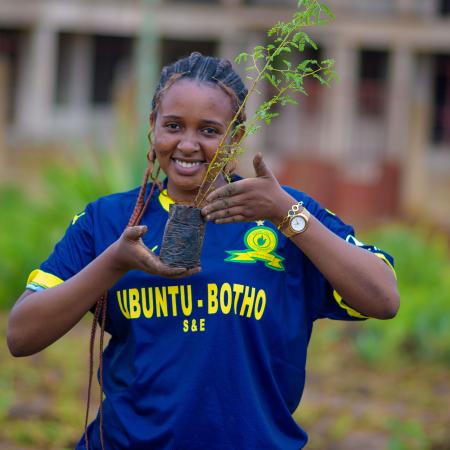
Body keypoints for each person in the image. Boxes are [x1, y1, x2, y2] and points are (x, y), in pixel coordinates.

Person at [7, 52, 399, 450]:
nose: (188, 145)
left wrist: (286, 215)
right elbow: (21, 336)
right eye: (173, 125)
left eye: (210, 131)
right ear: (152, 127)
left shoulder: (286, 214)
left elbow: (383, 298)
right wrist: (113, 263)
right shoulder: (109, 221)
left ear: (237, 137)